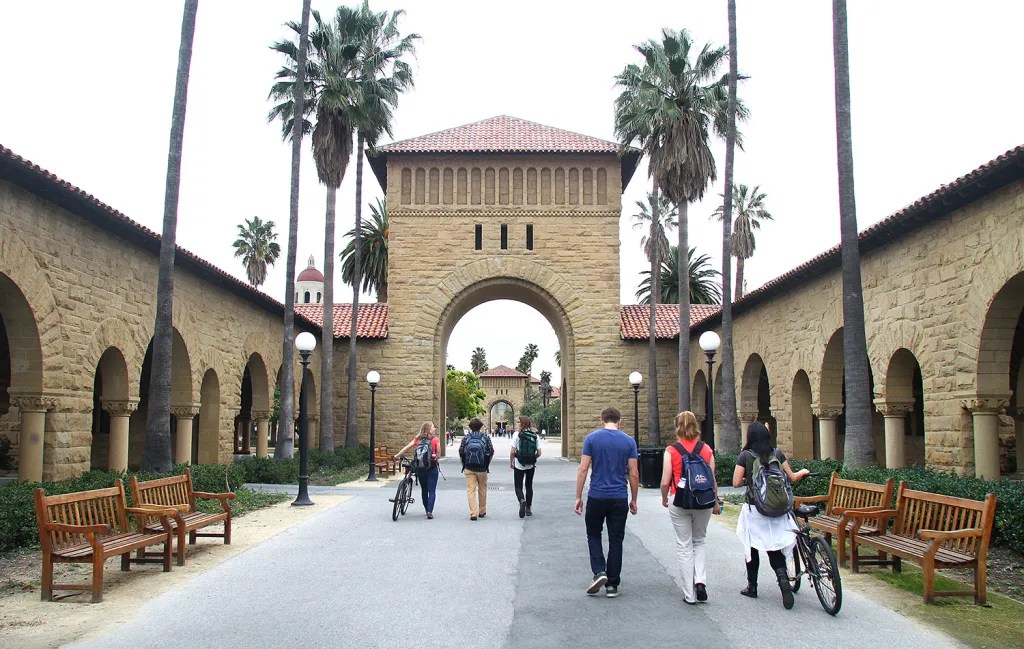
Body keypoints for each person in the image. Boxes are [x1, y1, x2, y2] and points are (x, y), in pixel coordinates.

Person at [732, 421, 809, 609]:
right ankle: (783, 581)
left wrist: (748, 480)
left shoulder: (746, 456)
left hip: (755, 509)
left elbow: (735, 482)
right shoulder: (777, 453)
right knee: (773, 547)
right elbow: (792, 477)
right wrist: (803, 472)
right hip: (777, 510)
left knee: (752, 548)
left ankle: (752, 586)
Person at [575, 406, 639, 598]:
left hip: (597, 495)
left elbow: (583, 469)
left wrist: (578, 496)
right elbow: (634, 473)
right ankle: (612, 585)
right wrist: (634, 499)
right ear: (619, 421)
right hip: (619, 496)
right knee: (616, 539)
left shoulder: (592, 439)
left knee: (593, 533)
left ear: (602, 420)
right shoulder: (629, 441)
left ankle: (599, 571)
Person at [660, 411, 720, 604]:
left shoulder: (671, 450)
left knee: (684, 545)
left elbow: (664, 481)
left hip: (680, 500)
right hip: (703, 500)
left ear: (677, 427)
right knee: (700, 541)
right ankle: (700, 581)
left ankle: (689, 594)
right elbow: (712, 479)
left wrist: (664, 497)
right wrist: (716, 501)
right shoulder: (706, 449)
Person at [394, 422, 440, 519]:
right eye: (433, 427)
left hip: (421, 468)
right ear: (428, 429)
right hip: (432, 468)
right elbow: (438, 456)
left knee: (424, 489)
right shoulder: (435, 440)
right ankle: (429, 511)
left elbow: (406, 448)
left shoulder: (417, 440)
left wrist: (397, 456)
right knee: (432, 490)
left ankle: (426, 508)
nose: (434, 428)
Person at [459, 417, 494, 520]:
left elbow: (461, 452)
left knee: (471, 490)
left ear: (470, 427)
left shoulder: (466, 438)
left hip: (469, 467)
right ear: (480, 427)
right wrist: (487, 464)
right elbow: (491, 451)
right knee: (482, 489)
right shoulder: (485, 437)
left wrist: (463, 465)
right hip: (482, 467)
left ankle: (473, 513)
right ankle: (482, 510)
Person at [511, 415, 542, 518]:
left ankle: (521, 500)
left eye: (519, 422)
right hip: (530, 465)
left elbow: (512, 451)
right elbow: (539, 452)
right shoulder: (534, 435)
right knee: (529, 486)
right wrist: (533, 458)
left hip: (519, 464)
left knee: (518, 486)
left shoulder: (517, 435)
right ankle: (528, 508)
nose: (518, 423)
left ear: (523, 423)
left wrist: (511, 462)